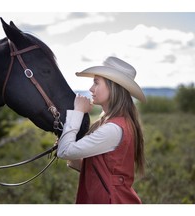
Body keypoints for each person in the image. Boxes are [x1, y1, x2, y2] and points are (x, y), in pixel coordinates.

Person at [57, 56, 146, 204]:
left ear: (113, 87)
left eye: (96, 82)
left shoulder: (113, 129)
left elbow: (64, 151)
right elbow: (97, 170)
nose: (91, 89)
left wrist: (78, 111)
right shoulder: (114, 123)